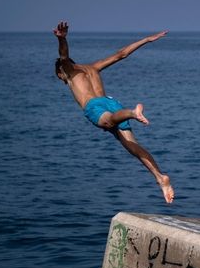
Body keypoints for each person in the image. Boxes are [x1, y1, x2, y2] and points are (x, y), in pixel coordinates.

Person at [53, 21, 174, 203]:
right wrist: (147, 40)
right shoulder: (94, 67)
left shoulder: (67, 70)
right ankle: (160, 177)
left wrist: (62, 40)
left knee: (108, 121)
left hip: (96, 106)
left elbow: (63, 56)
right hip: (112, 103)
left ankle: (133, 113)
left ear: (60, 73)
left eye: (60, 77)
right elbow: (121, 54)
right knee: (132, 146)